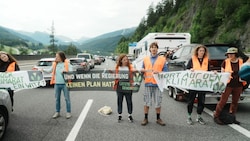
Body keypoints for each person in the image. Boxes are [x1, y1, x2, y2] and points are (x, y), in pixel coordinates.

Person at [213, 47, 246, 125]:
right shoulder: (225, 62)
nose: (230, 55)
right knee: (223, 101)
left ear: (236, 54)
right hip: (228, 85)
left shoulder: (241, 61)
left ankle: (232, 117)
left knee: (235, 102)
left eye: (232, 54)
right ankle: (216, 116)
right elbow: (222, 74)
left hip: (238, 84)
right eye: (228, 54)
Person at [140, 42, 168, 126]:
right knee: (146, 102)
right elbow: (142, 69)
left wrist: (159, 72)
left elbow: (166, 72)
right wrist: (141, 70)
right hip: (148, 83)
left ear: (157, 49)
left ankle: (158, 118)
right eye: (152, 47)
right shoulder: (145, 59)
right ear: (150, 49)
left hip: (158, 84)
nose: (154, 49)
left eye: (155, 47)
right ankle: (145, 118)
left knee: (158, 102)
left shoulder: (162, 59)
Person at [186, 45, 210, 125]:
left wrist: (214, 73)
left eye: (203, 51)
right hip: (193, 84)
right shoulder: (192, 59)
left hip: (202, 84)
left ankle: (199, 116)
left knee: (201, 101)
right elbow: (186, 70)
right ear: (197, 51)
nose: (202, 52)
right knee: (191, 101)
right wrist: (190, 70)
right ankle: (189, 116)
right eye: (200, 51)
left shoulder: (207, 60)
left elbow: (209, 71)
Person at [44, 51, 73, 119]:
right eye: (56, 56)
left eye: (57, 56)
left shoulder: (67, 64)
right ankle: (57, 112)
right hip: (57, 84)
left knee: (67, 99)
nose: (56, 58)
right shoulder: (55, 64)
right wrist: (42, 70)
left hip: (65, 84)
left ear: (61, 57)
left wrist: (66, 71)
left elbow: (72, 72)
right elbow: (49, 71)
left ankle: (68, 112)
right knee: (57, 99)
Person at [114, 54, 134, 123]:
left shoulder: (130, 67)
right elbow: (115, 76)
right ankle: (119, 114)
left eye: (127, 59)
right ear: (121, 60)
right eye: (124, 60)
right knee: (120, 101)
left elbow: (134, 75)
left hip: (128, 86)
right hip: (119, 86)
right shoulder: (117, 67)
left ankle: (130, 115)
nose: (126, 61)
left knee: (129, 101)